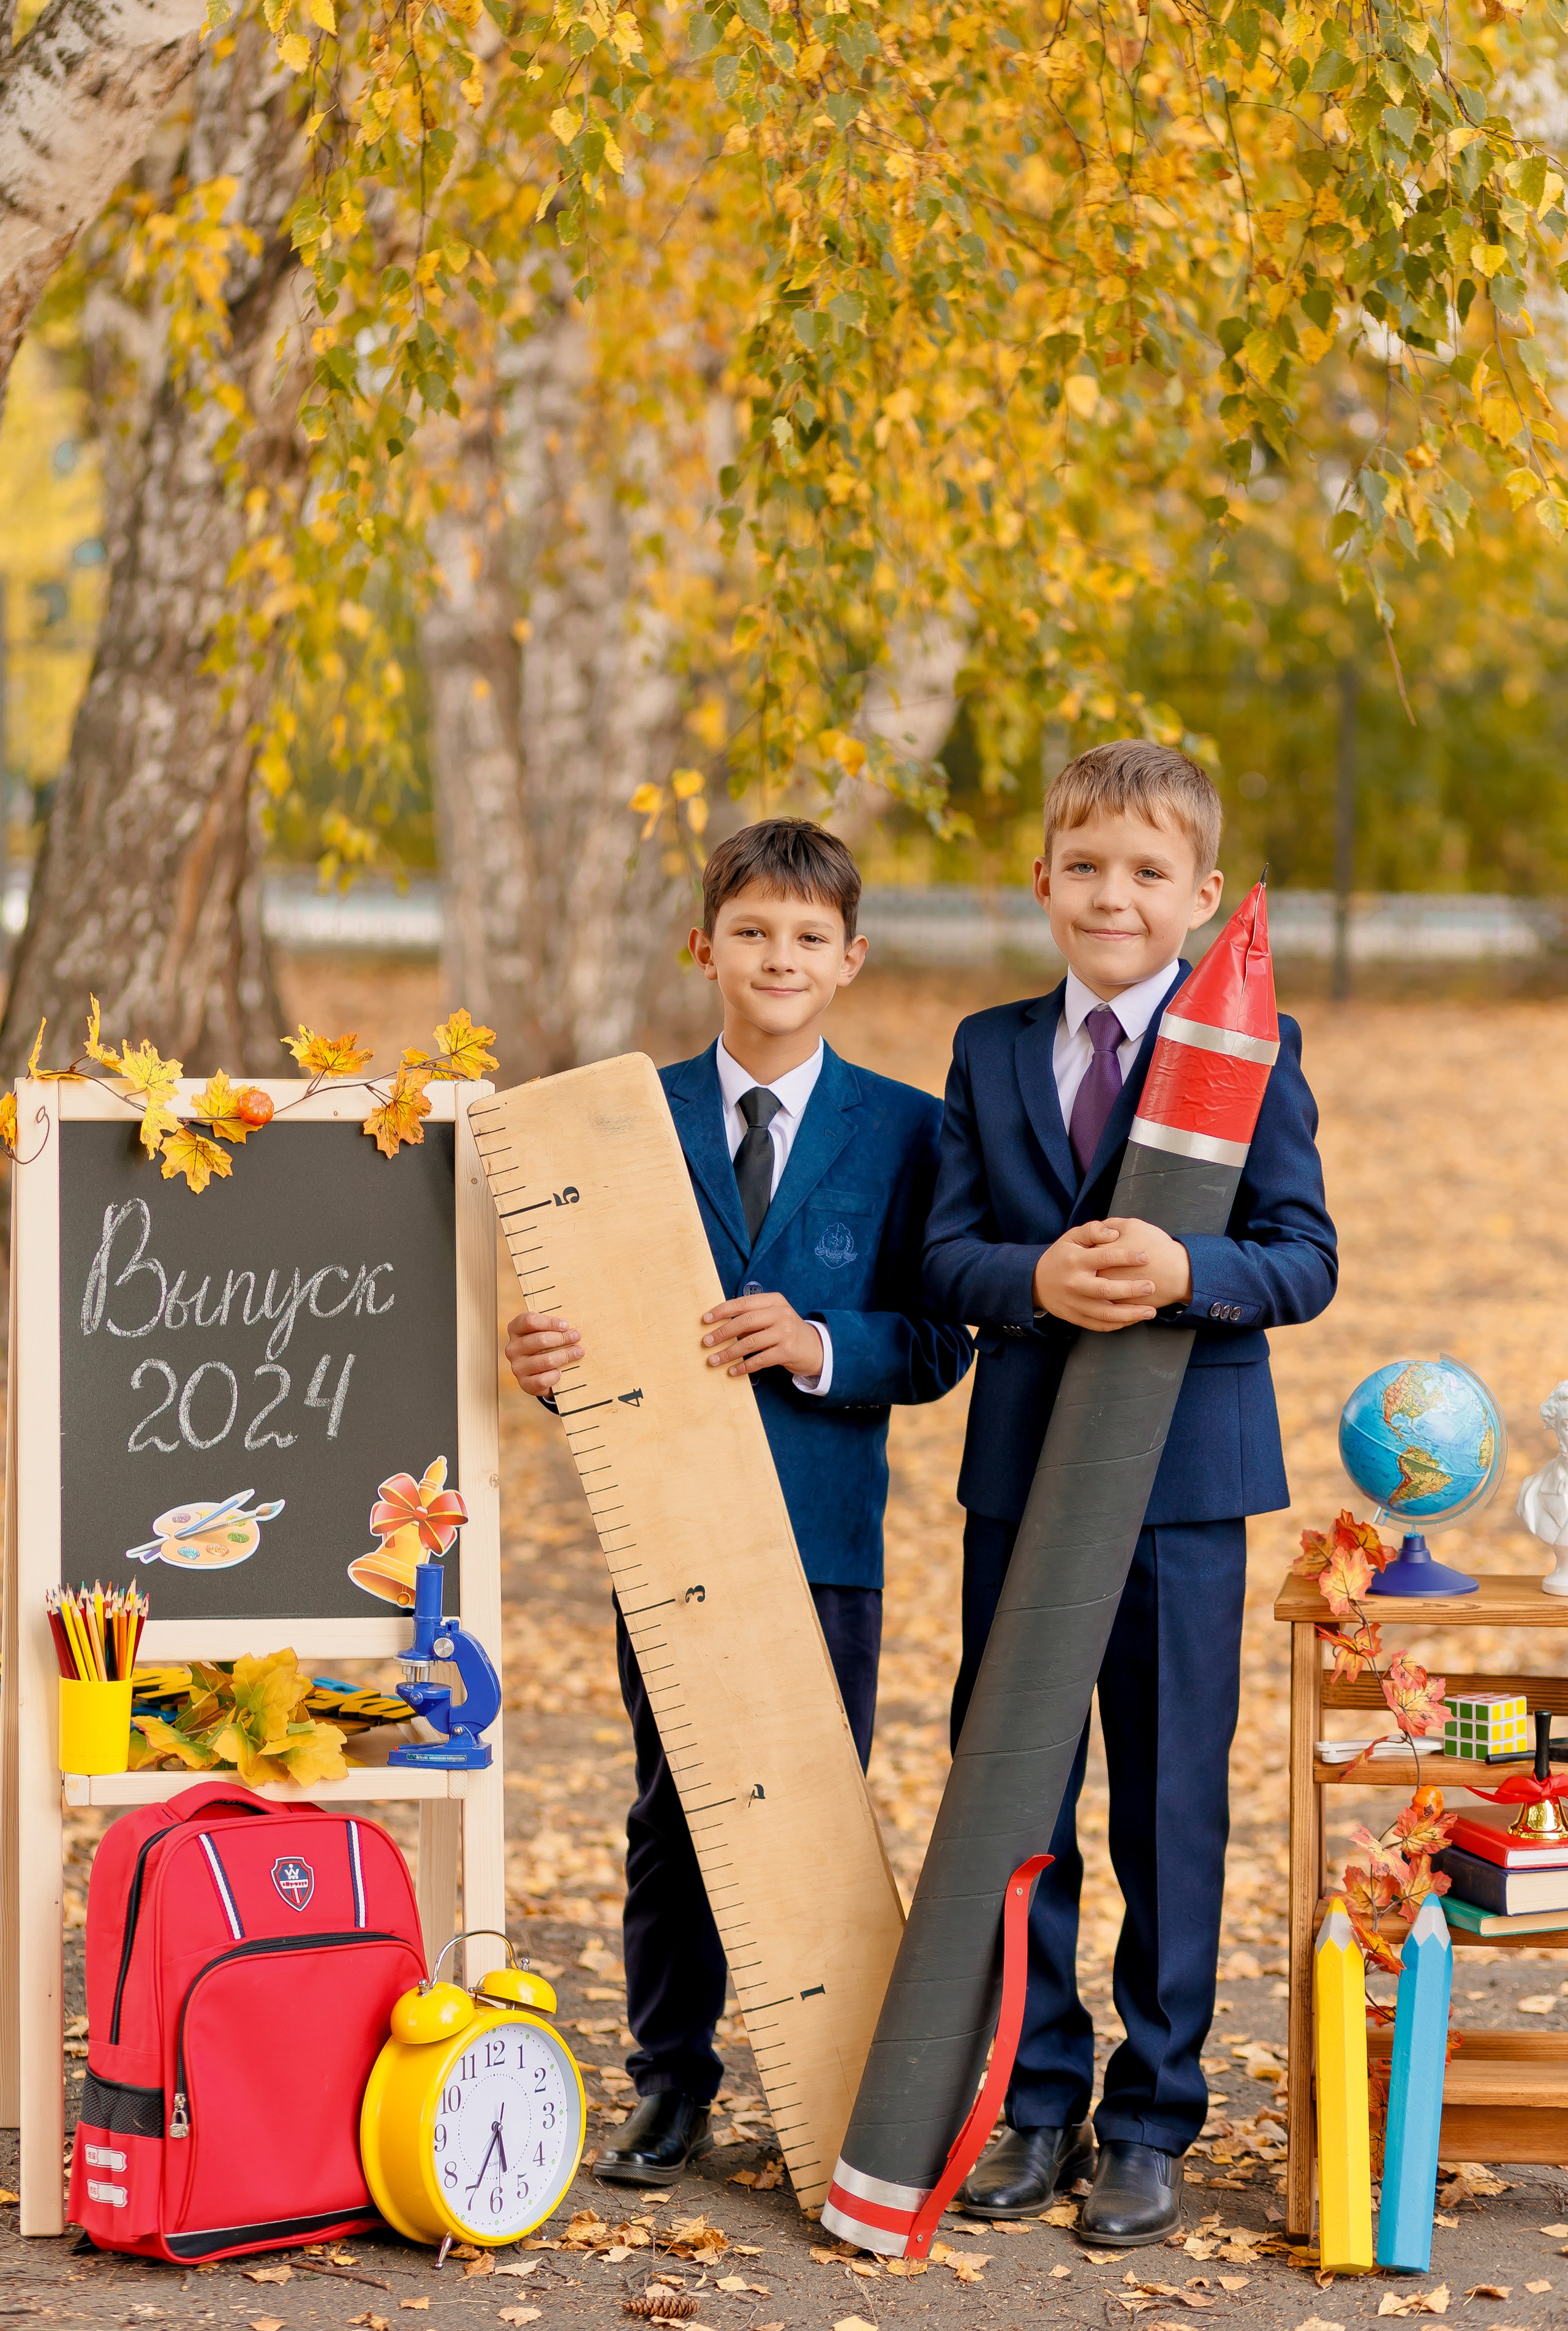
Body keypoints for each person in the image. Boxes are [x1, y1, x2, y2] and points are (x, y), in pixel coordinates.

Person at [507, 816, 974, 2187]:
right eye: (752, 931)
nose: (779, 958)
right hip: (664, 1525)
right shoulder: (620, 1120)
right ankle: (671, 2082)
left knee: (813, 1809)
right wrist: (544, 1365)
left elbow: (937, 1343)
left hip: (823, 1538)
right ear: (702, 946)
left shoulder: (908, 1131)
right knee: (672, 1815)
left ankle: (832, 2093)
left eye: (809, 937)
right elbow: (583, 1325)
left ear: (850, 959)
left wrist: (820, 1342)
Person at [924, 741, 1336, 2243]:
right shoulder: (985, 1050)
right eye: (1086, 866)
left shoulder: (1250, 1048)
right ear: (1041, 879)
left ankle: (1151, 2118)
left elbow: (1301, 1256)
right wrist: (1031, 1279)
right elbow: (940, 1258)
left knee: (1167, 1802)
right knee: (1016, 1790)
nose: (1113, 894)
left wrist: (1185, 1268)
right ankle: (1032, 2098)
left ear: (1200, 895)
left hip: (1183, 1484)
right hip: (1023, 1477)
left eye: (1147, 871)